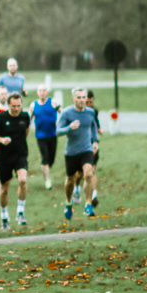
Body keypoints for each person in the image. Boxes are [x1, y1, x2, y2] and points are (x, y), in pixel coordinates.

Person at [0, 91, 32, 229]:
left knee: (23, 180)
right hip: (4, 157)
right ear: (8, 104)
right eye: (13, 106)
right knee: (4, 189)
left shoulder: (25, 116)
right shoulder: (0, 117)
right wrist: (1, 139)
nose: (16, 109)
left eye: (19, 106)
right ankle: (4, 216)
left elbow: (26, 132)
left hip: (20, 154)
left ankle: (20, 211)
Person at [58, 88, 99, 219]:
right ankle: (68, 203)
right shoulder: (66, 113)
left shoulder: (91, 112)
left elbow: (93, 125)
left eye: (83, 97)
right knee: (70, 180)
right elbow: (57, 131)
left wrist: (95, 141)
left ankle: (88, 204)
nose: (82, 100)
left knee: (89, 173)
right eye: (79, 97)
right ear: (73, 99)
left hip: (86, 149)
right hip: (71, 152)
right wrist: (69, 128)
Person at [31, 84, 59, 190]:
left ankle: (46, 169)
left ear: (47, 92)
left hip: (52, 135)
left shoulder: (52, 102)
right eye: (40, 90)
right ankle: (47, 180)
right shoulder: (33, 105)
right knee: (45, 158)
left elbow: (61, 110)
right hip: (40, 136)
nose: (42, 92)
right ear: (37, 92)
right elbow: (28, 119)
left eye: (44, 90)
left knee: (51, 159)